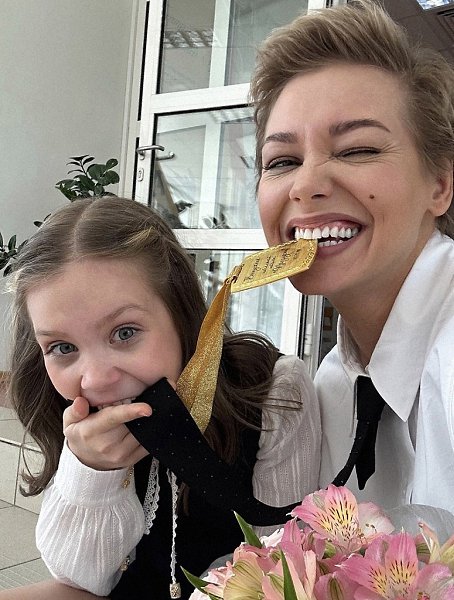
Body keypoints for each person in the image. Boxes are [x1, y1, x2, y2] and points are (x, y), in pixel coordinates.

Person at [2, 196, 321, 599]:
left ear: (180, 313)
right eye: (63, 348)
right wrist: (91, 472)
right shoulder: (73, 415)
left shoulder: (268, 389)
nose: (96, 380)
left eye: (124, 333)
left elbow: (279, 570)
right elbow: (81, 581)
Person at [251, 0, 454, 513]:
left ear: (439, 184)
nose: (306, 185)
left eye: (357, 150)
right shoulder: (333, 385)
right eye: (282, 161)